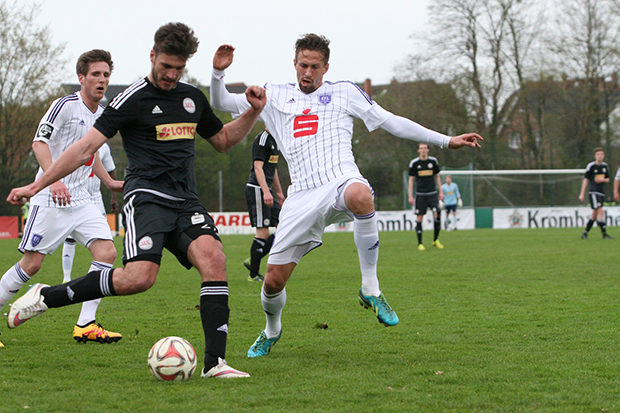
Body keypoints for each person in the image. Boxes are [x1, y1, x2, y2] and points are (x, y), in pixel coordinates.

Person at [6, 22, 266, 378]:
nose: (171, 75)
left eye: (178, 68)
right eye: (165, 67)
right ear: (152, 57)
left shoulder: (192, 98)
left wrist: (252, 112)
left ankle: (214, 363)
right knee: (139, 279)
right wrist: (38, 185)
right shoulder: (131, 99)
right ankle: (46, 297)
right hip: (145, 198)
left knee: (215, 259)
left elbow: (221, 141)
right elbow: (83, 148)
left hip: (186, 200)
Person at [210, 34, 482, 358]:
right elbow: (221, 102)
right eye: (302, 65)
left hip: (340, 180)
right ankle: (272, 330)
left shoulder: (344, 92)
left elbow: (391, 121)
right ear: (294, 64)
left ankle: (371, 288)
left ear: (326, 67)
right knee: (272, 282)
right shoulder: (275, 95)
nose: (307, 72)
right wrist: (217, 74)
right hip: (301, 196)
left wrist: (446, 140)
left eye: (314, 66)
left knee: (361, 195)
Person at [0, 49, 122, 344]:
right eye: (95, 74)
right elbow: (39, 142)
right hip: (51, 199)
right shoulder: (65, 105)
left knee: (106, 254)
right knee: (32, 265)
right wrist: (51, 181)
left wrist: (109, 182)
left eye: (106, 75)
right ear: (81, 77)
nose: (102, 80)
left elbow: (89, 153)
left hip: (82, 200)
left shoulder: (103, 114)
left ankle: (86, 324)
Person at [63, 142, 118, 283]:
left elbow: (110, 170)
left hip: (95, 196)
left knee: (105, 239)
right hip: (77, 195)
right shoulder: (75, 141)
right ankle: (66, 277)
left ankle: (100, 277)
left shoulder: (104, 147)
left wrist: (113, 196)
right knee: (70, 239)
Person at [243, 129, 285, 282]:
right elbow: (258, 167)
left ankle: (255, 258)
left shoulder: (276, 139)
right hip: (257, 189)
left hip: (267, 190)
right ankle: (253, 275)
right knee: (263, 232)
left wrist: (279, 192)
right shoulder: (263, 139)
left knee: (284, 227)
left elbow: (271, 170)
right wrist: (266, 192)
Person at [408, 143, 444, 250]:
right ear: (418, 150)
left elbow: (437, 177)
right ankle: (420, 243)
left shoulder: (433, 162)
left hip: (432, 193)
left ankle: (435, 239)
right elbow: (411, 180)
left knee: (437, 214)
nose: (423, 150)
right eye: (421, 148)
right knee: (420, 217)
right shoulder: (414, 163)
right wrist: (410, 195)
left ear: (428, 150)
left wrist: (441, 191)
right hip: (420, 194)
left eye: (425, 148)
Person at [579, 147, 612, 239]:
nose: (600, 156)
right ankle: (604, 233)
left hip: (601, 192)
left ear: (604, 156)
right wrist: (582, 193)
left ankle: (585, 233)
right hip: (593, 192)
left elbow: (608, 179)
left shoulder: (605, 166)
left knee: (594, 213)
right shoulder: (591, 166)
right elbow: (586, 179)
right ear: (595, 156)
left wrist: (603, 180)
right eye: (598, 154)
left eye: (601, 154)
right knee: (601, 210)